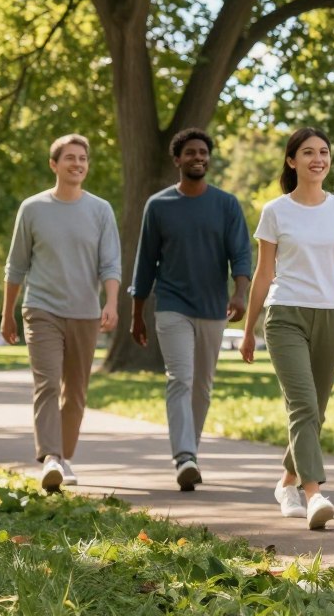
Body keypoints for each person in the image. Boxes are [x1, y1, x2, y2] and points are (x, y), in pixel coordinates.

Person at [238, 127, 334, 530]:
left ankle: (286, 482)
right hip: (285, 315)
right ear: (292, 161)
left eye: (323, 151)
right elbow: (264, 274)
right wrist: (249, 329)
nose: (318, 158)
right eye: (307, 152)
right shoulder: (275, 211)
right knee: (302, 405)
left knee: (315, 412)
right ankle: (314, 493)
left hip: (331, 317)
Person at [128, 127, 252, 491]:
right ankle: (184, 457)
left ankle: (190, 454)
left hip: (214, 307)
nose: (199, 157)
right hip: (172, 305)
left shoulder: (226, 204)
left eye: (204, 153)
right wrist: (137, 312)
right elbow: (145, 260)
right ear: (178, 159)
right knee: (179, 378)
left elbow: (241, 253)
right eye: (191, 153)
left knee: (202, 386)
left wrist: (240, 292)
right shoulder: (159, 205)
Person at [2, 133, 121, 492]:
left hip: (85, 311)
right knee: (48, 383)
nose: (77, 164)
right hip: (41, 308)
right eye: (70, 158)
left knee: (76, 391)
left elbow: (110, 262)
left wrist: (111, 302)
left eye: (83, 158)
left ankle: (64, 458)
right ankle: (51, 457)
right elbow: (16, 265)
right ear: (54, 164)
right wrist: (8, 314)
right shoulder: (33, 208)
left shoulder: (100, 210)